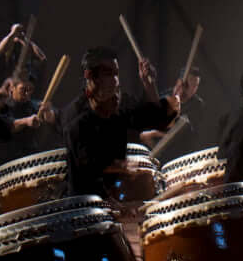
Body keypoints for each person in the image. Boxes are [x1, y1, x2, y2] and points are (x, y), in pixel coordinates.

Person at [64, 46, 191, 197]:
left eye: (116, 74)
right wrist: (121, 166)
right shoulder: (74, 116)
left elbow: (153, 116)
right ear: (90, 76)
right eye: (109, 74)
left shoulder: (120, 103)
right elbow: (87, 170)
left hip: (122, 193)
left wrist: (148, 83)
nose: (116, 80)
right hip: (88, 204)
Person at [0, 68, 59, 166]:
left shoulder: (35, 105)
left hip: (29, 161)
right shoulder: (0, 106)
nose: (27, 94)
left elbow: (56, 118)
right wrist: (26, 121)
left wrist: (48, 113)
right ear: (12, 88)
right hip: (4, 163)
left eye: (30, 89)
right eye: (23, 90)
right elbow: (7, 126)